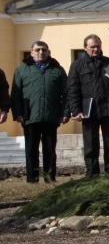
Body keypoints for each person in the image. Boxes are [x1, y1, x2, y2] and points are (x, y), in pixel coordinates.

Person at [67, 34, 109, 176]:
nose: (95, 49)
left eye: (98, 46)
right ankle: (92, 173)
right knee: (90, 145)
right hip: (89, 111)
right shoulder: (77, 66)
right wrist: (76, 110)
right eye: (92, 47)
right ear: (85, 48)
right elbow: (73, 90)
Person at [10, 41, 70, 183]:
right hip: (30, 117)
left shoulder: (57, 70)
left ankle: (49, 178)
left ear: (48, 52)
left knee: (49, 151)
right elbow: (15, 94)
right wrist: (17, 113)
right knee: (31, 150)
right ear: (31, 53)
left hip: (51, 115)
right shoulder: (21, 70)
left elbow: (66, 93)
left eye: (44, 50)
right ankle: (32, 179)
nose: (40, 52)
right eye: (37, 50)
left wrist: (66, 112)